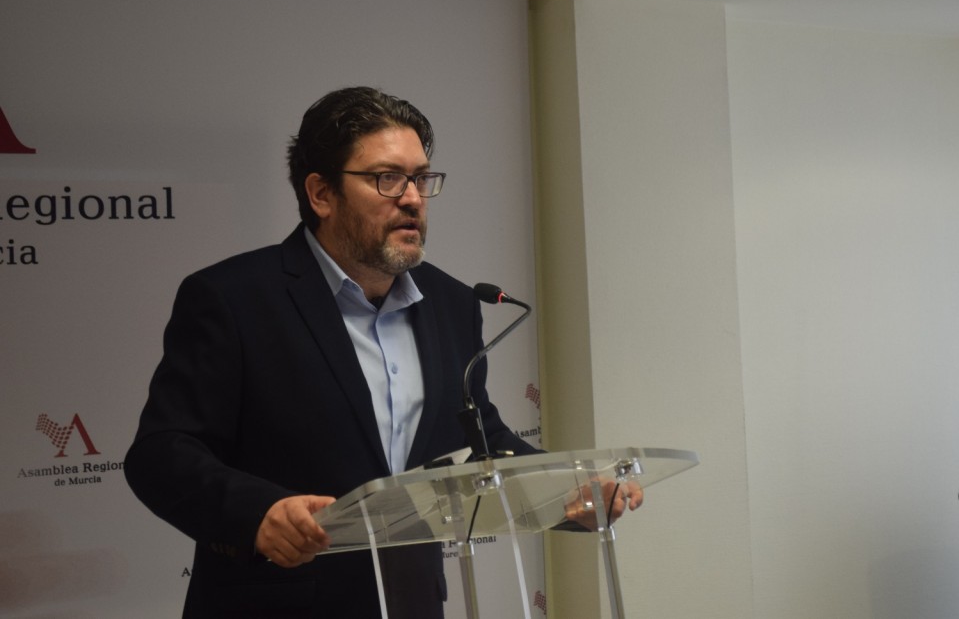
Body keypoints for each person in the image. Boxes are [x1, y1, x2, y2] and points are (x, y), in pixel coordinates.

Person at [124, 86, 640, 618]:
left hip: (411, 601)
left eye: (421, 178)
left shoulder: (452, 303)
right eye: (387, 179)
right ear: (321, 193)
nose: (413, 198)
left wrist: (567, 492)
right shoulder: (233, 299)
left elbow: (478, 442)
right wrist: (258, 514)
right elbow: (162, 454)